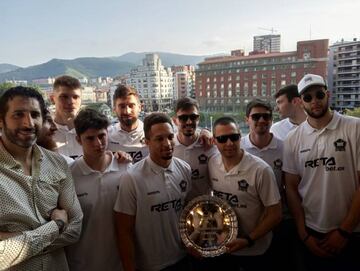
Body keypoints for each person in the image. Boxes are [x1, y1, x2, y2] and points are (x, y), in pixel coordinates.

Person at [0, 86, 83, 270]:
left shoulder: (58, 164)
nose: (28, 123)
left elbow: (75, 229)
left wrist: (15, 242)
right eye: (18, 115)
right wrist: (57, 225)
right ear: (1, 120)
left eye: (35, 115)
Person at [283, 74, 360, 271]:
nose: (314, 101)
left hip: (352, 231)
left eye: (319, 95)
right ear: (300, 102)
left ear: (328, 94)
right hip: (312, 232)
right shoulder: (293, 139)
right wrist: (303, 234)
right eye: (308, 98)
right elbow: (291, 188)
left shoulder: (354, 128)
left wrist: (344, 231)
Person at [114, 113, 192, 271]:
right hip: (150, 265)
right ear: (147, 142)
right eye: (159, 139)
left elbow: (187, 213)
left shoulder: (185, 169)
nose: (167, 143)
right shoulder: (132, 178)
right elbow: (123, 231)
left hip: (183, 258)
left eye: (170, 137)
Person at [207, 116, 281, 271]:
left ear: (240, 137)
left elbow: (275, 214)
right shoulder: (212, 163)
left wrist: (248, 240)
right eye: (222, 139)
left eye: (234, 137)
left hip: (256, 251)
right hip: (223, 248)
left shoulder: (261, 170)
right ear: (214, 141)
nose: (229, 143)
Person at [66, 109, 130, 271]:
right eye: (90, 138)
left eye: (101, 136)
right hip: (81, 263)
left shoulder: (126, 167)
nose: (98, 143)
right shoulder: (69, 176)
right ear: (78, 140)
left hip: (120, 263)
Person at [172, 97, 218, 200]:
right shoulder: (169, 146)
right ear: (175, 121)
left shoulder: (209, 145)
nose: (189, 122)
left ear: (198, 119)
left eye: (193, 117)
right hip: (176, 209)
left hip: (202, 209)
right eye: (183, 118)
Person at [108, 85, 149, 163]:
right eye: (122, 106)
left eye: (131, 106)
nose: (127, 111)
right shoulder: (107, 136)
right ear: (114, 109)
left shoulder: (150, 133)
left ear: (140, 107)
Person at [51, 75, 83, 159]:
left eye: (75, 97)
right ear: (52, 99)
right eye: (64, 97)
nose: (70, 102)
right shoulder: (45, 134)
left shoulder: (92, 132)